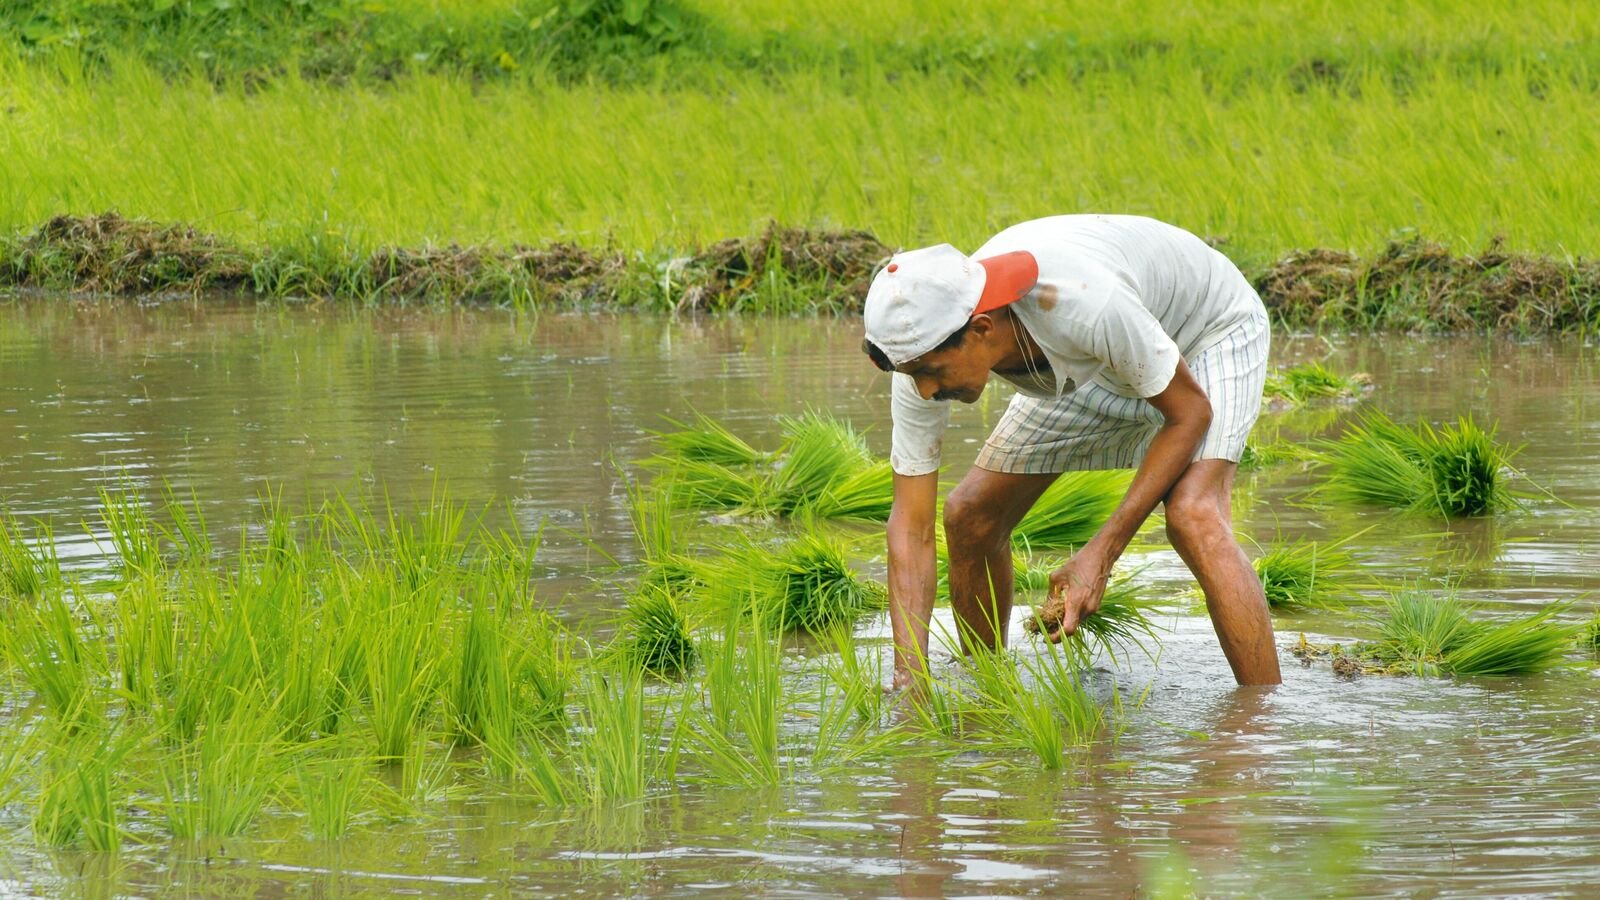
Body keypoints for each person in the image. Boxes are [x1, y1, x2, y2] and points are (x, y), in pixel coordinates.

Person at [861, 214, 1281, 690]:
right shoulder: (918, 351)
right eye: (911, 374)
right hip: (1095, 364)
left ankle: (1260, 725)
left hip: (1205, 334)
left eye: (932, 372)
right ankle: (990, 693)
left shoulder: (1083, 303)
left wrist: (1099, 556)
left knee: (1193, 514)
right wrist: (909, 679)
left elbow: (1189, 414)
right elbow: (912, 524)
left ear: (980, 329)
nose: (924, 390)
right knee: (970, 514)